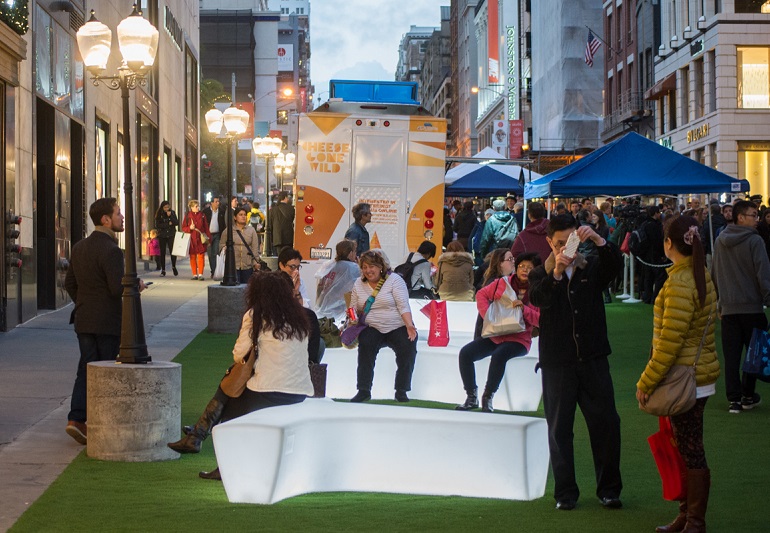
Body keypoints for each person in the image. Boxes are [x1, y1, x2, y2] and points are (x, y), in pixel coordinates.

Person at [170, 271, 314, 480]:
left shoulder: (256, 314)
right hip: (300, 391)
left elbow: (239, 354)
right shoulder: (300, 317)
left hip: (268, 390)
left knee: (229, 406)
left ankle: (204, 443)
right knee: (231, 389)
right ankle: (198, 436)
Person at [527, 214, 624, 511]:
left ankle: (609, 490)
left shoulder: (591, 265)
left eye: (570, 241)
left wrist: (599, 240)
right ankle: (565, 493)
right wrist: (556, 273)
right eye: (558, 243)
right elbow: (538, 300)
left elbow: (615, 269)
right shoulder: (540, 273)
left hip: (593, 358)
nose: (564, 249)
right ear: (549, 242)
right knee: (559, 429)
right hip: (557, 362)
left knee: (606, 424)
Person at [636, 216, 719, 533]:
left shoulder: (682, 282)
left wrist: (647, 382)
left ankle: (694, 520)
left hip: (686, 379)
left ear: (669, 243)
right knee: (687, 446)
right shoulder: (697, 274)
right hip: (697, 376)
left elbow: (670, 342)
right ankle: (688, 516)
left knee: (691, 448)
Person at [64, 198, 146, 444]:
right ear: (105, 220)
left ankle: (76, 418)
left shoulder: (79, 247)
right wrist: (135, 285)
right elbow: (115, 287)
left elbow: (70, 283)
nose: (122, 217)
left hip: (83, 318)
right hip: (107, 322)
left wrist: (85, 302)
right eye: (118, 213)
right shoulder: (111, 250)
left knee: (86, 368)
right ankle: (96, 421)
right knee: (105, 370)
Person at [456, 252, 541, 412]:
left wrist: (524, 310)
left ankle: (488, 397)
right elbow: (481, 294)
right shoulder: (503, 283)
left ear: (536, 270)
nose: (525, 270)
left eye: (530, 267)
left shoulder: (537, 290)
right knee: (466, 353)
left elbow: (540, 320)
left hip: (519, 340)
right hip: (496, 334)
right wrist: (487, 315)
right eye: (522, 266)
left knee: (499, 355)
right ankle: (471, 396)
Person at [711, 199, 770, 413]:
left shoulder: (720, 240)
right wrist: (768, 297)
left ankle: (734, 398)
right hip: (752, 307)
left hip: (728, 308)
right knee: (753, 355)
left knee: (732, 355)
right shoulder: (756, 242)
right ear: (740, 217)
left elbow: (715, 273)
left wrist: (719, 301)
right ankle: (746, 395)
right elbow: (763, 274)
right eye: (753, 215)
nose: (757, 219)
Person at [349, 250, 418, 403]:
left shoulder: (395, 280)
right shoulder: (358, 284)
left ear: (381, 266)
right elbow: (353, 307)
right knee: (365, 346)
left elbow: (403, 305)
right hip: (372, 326)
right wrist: (352, 321)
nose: (368, 270)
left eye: (371, 266)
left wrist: (409, 325)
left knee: (408, 346)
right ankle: (363, 390)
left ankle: (401, 390)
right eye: (365, 267)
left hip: (396, 325)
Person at [315, 239, 361, 321]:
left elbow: (319, 287)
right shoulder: (353, 267)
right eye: (354, 252)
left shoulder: (327, 265)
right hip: (340, 313)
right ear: (350, 253)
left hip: (321, 311)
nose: (355, 254)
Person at [220, 207, 260, 284]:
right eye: (240, 215)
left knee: (247, 289)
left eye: (245, 215)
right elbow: (221, 244)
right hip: (233, 267)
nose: (243, 216)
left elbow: (255, 248)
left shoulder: (251, 230)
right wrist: (224, 248)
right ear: (235, 217)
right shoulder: (229, 231)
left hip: (247, 266)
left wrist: (256, 262)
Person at [182, 199, 211, 280]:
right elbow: (183, 227)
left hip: (200, 238)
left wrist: (208, 239)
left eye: (198, 206)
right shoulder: (188, 215)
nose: (198, 208)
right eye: (196, 206)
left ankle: (201, 274)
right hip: (192, 238)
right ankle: (194, 274)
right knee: (192, 256)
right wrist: (189, 228)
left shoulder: (202, 215)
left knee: (201, 256)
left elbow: (206, 227)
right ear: (191, 207)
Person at [203, 196, 226, 279]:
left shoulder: (221, 212)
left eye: (218, 201)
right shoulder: (206, 212)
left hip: (217, 234)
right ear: (211, 203)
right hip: (208, 235)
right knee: (210, 254)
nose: (218, 203)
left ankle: (216, 271)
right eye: (216, 201)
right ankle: (213, 271)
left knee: (215, 253)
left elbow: (223, 224)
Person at [154, 200, 179, 276]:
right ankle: (163, 269)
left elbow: (176, 222)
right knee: (162, 252)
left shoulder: (172, 213)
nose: (167, 209)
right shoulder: (159, 214)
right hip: (162, 235)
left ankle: (174, 266)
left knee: (173, 251)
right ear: (162, 207)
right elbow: (158, 225)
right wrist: (168, 224)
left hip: (171, 234)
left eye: (168, 207)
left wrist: (170, 217)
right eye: (165, 207)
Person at [268, 191, 295, 256]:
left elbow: (270, 224)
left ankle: (280, 266)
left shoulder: (273, 210)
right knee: (288, 256)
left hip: (277, 237)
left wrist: (271, 238)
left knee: (280, 256)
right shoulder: (291, 209)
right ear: (285, 198)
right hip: (289, 237)